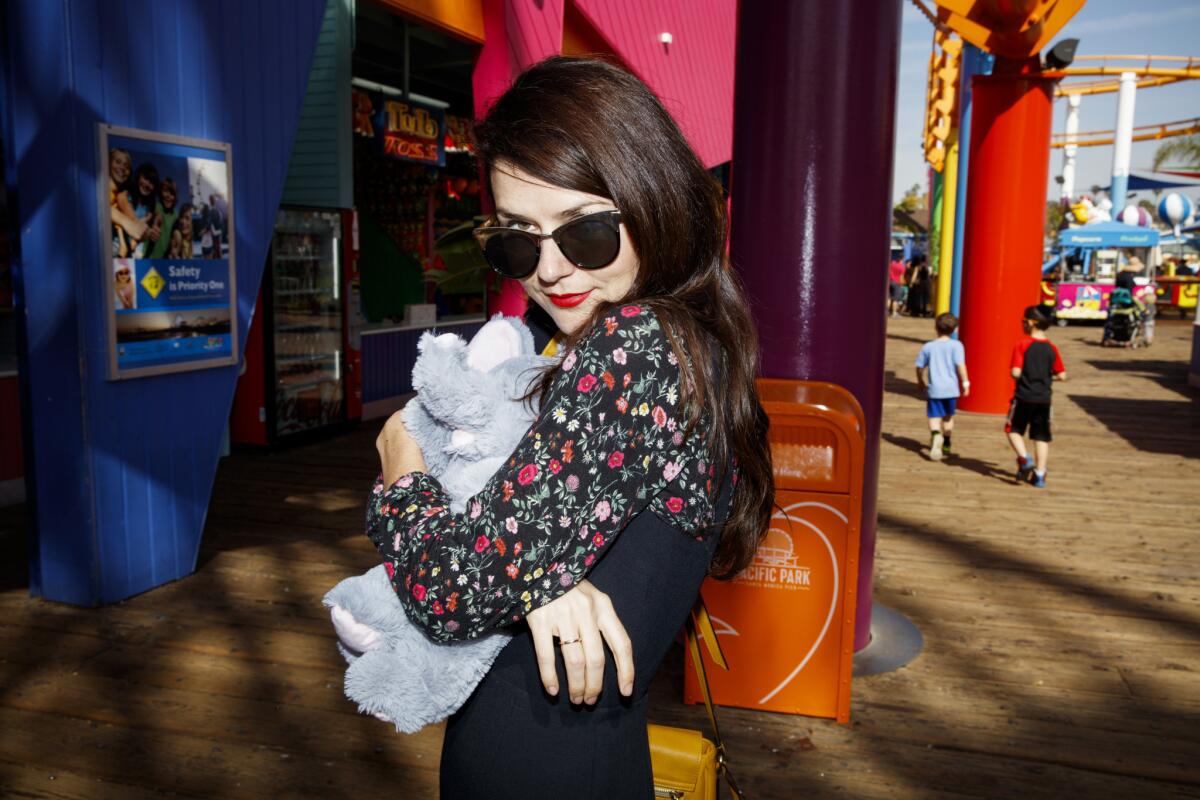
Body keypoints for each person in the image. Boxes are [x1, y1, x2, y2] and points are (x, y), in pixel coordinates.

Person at [366, 57, 774, 799]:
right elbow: (529, 540)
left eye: (585, 232)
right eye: (518, 239)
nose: (550, 269)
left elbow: (452, 588)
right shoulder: (695, 342)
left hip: (531, 763)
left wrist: (399, 455)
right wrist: (540, 575)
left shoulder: (634, 345)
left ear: (652, 197)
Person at [1006, 306, 1067, 488]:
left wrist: (1027, 374)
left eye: (1024, 321)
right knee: (1041, 437)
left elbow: (1015, 372)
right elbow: (1062, 375)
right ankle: (1040, 475)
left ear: (1032, 322)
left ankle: (1024, 459)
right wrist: (1046, 376)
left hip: (1024, 396)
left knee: (1013, 430)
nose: (1022, 324)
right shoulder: (1051, 348)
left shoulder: (1022, 345)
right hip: (1044, 399)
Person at [915, 312, 968, 460]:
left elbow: (920, 367)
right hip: (951, 390)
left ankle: (935, 435)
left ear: (935, 328)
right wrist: (965, 383)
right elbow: (961, 366)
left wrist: (920, 380)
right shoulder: (957, 345)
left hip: (935, 390)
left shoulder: (928, 347)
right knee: (948, 417)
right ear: (955, 329)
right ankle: (947, 441)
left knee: (934, 416)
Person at [147, 178, 180, 260]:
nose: (168, 196)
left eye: (172, 193)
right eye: (165, 191)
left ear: (175, 197)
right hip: (150, 257)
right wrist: (155, 224)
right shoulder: (158, 206)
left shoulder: (175, 215)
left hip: (164, 258)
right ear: (160, 192)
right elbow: (158, 216)